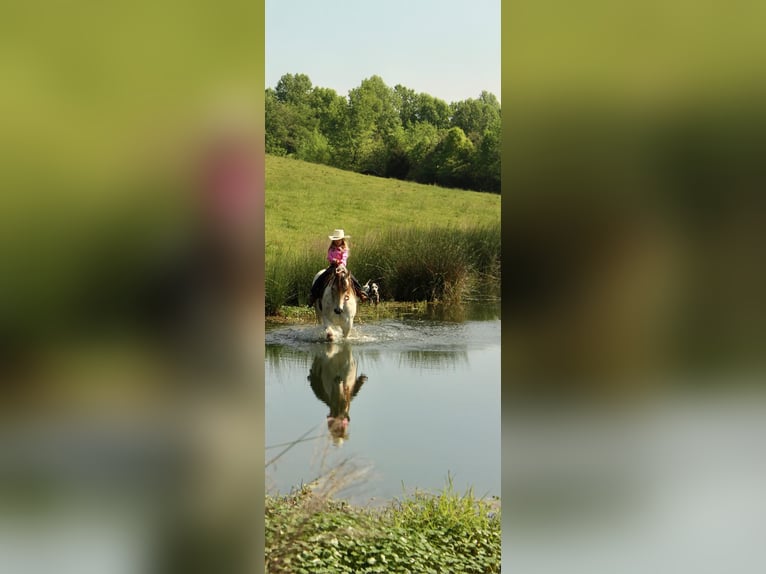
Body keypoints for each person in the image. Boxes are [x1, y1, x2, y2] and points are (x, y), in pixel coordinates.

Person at [308, 229, 367, 307]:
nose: (337, 241)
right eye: (336, 240)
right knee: (322, 277)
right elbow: (329, 257)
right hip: (333, 266)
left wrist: (340, 263)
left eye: (338, 240)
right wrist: (333, 260)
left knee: (352, 278)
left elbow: (344, 258)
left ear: (342, 240)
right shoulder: (331, 249)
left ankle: (361, 293)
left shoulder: (344, 249)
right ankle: (313, 295)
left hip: (342, 266)